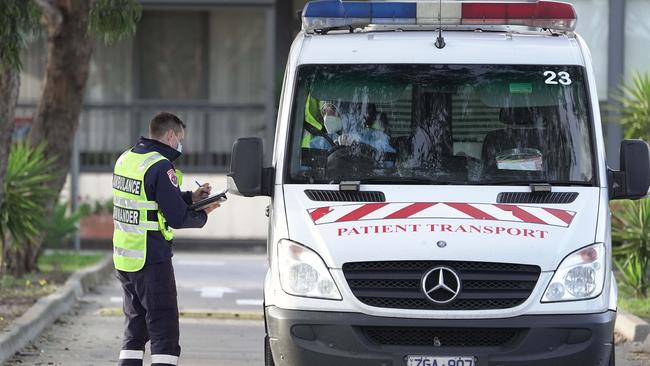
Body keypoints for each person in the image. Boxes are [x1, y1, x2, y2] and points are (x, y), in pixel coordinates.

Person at [112, 112, 220, 366]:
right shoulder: (160, 166)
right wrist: (203, 213)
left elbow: (148, 201)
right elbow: (176, 218)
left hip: (125, 258)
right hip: (152, 260)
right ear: (170, 135)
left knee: (135, 330)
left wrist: (190, 197)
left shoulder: (126, 159)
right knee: (164, 329)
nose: (180, 145)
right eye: (180, 139)